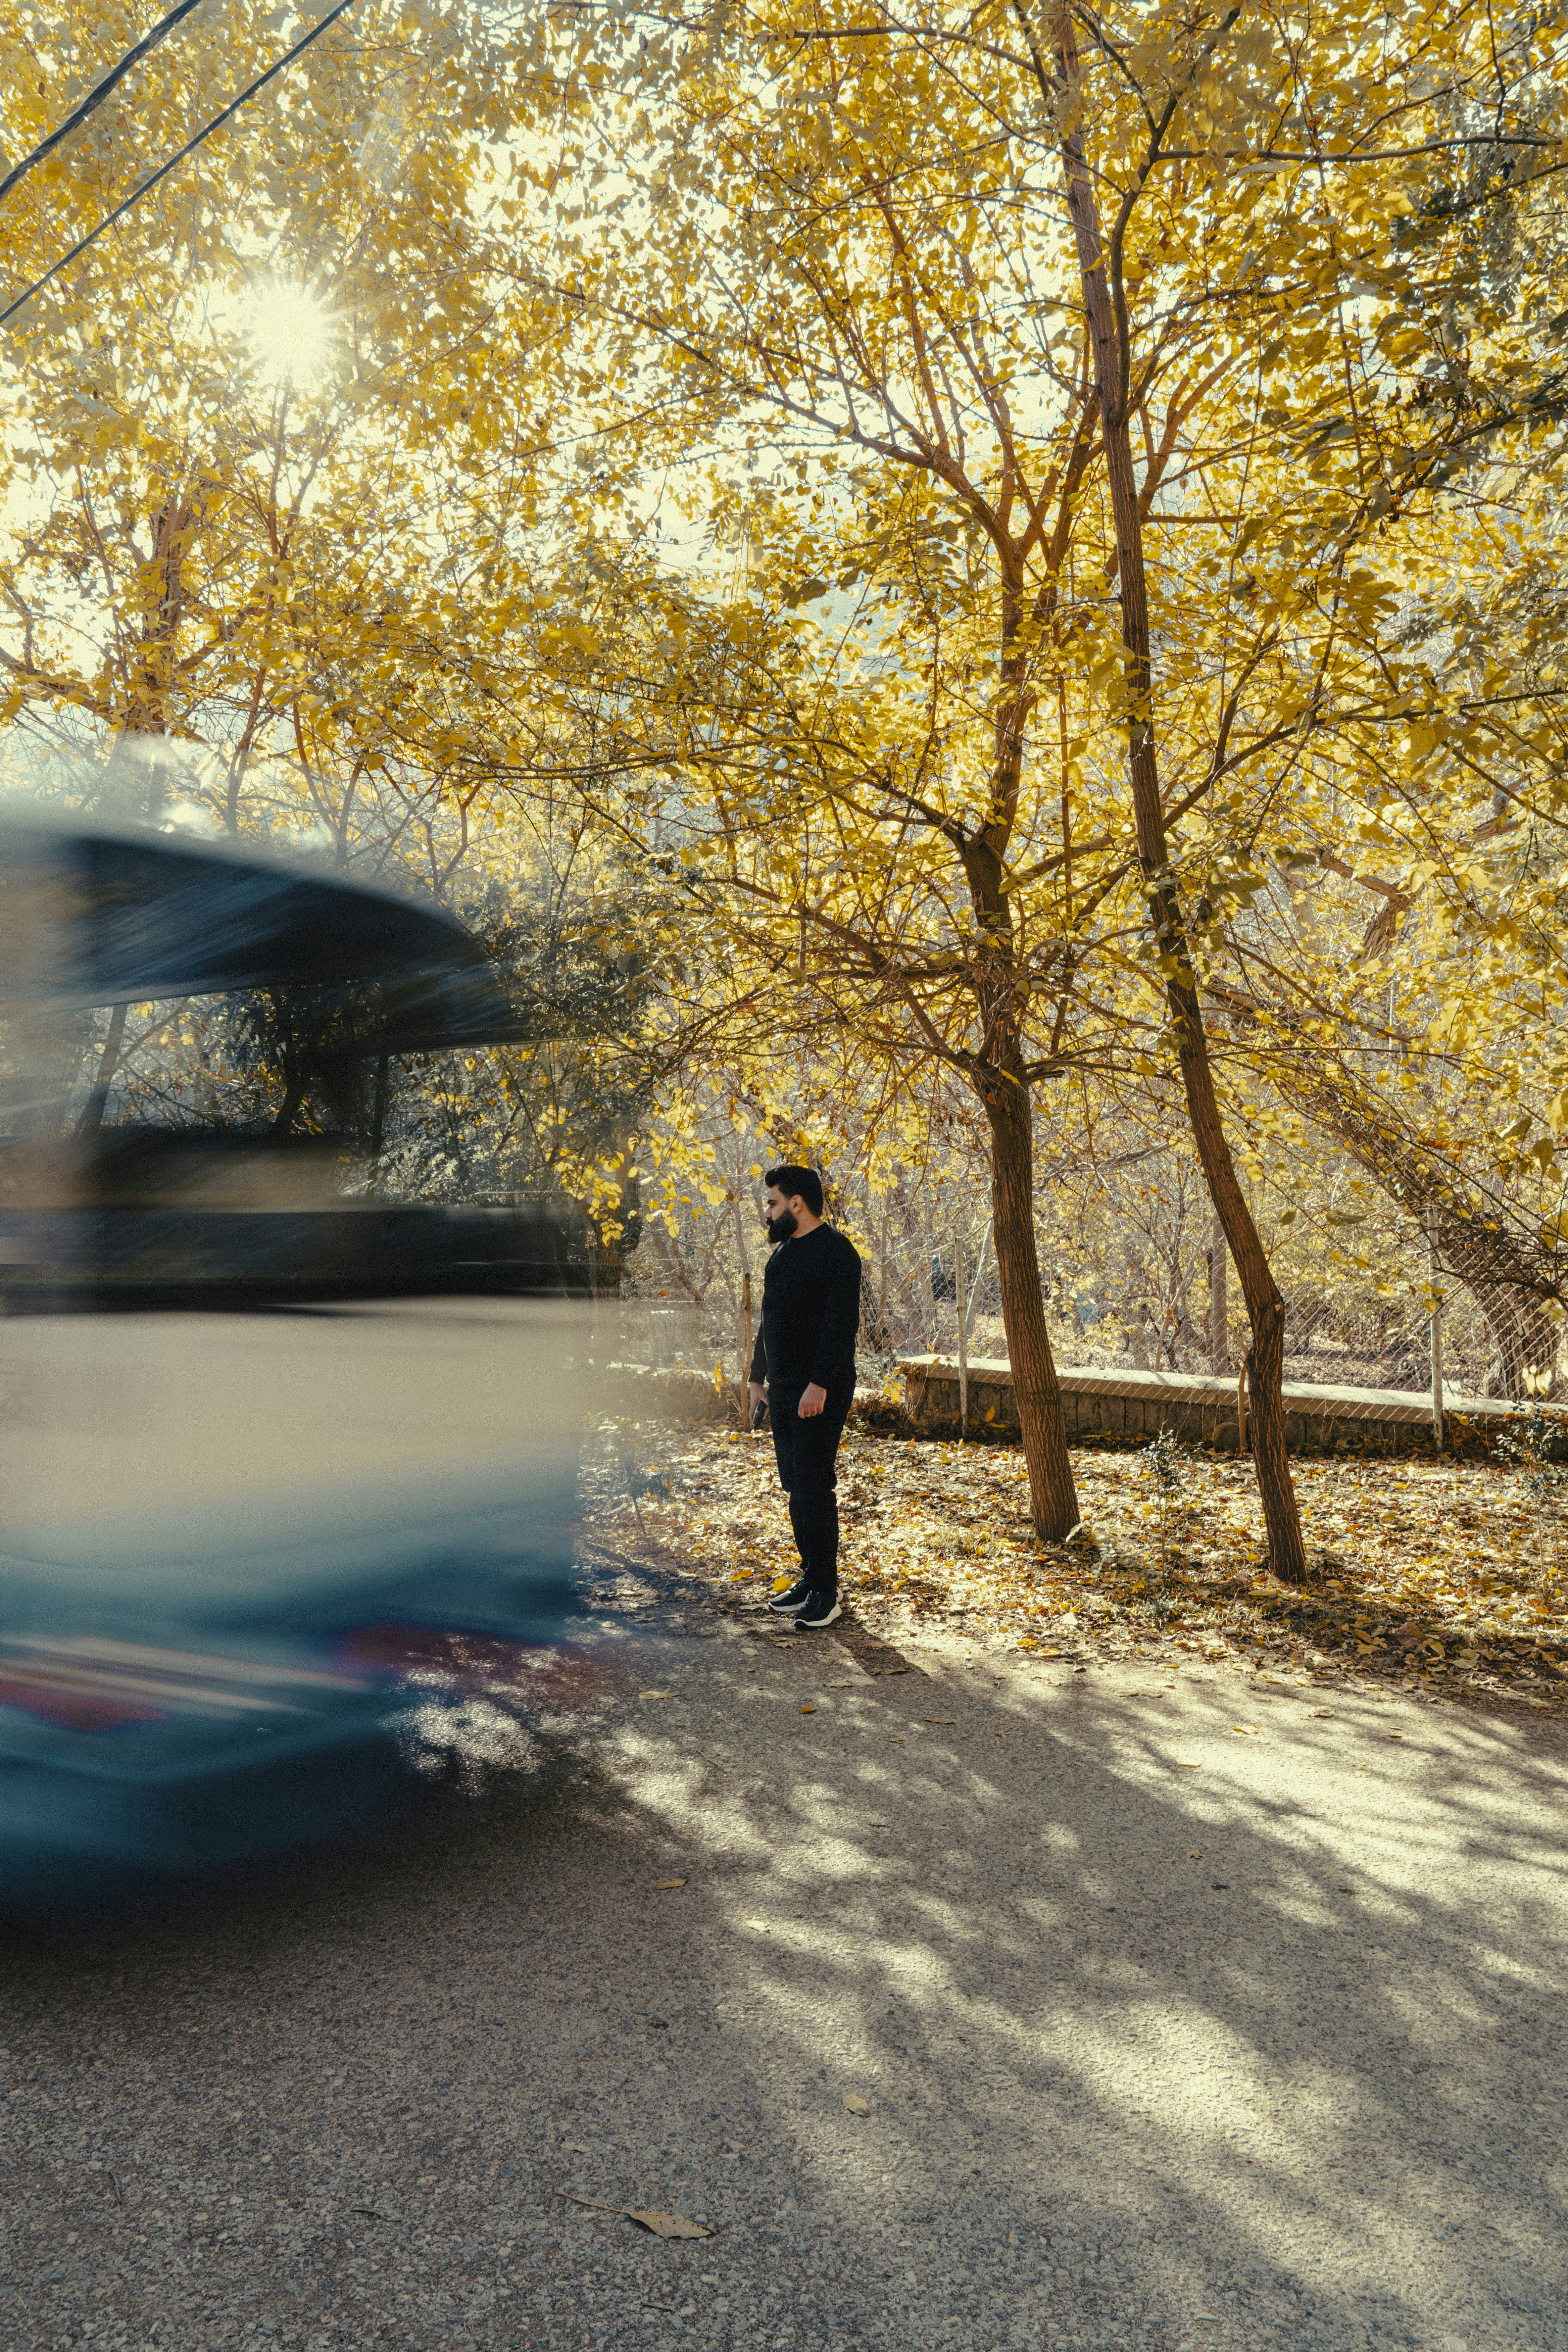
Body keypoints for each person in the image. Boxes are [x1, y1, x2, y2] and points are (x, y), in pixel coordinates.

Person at [746, 1164, 862, 1630]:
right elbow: (770, 1322)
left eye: (772, 1203)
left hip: (821, 1388)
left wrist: (819, 1383)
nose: (767, 1212)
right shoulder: (780, 1257)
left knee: (815, 1486)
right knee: (796, 1486)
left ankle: (827, 1594)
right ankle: (811, 1580)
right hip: (785, 1388)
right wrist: (758, 1377)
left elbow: (840, 1327)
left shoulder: (837, 1252)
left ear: (797, 1204)